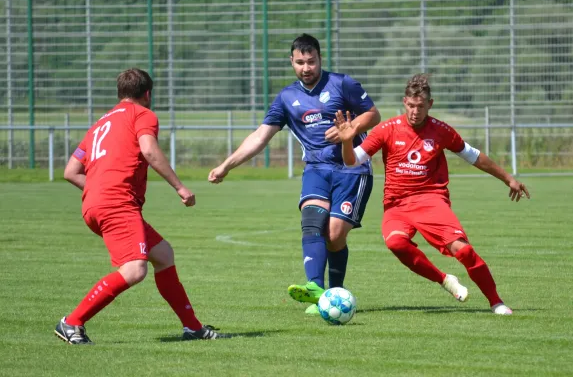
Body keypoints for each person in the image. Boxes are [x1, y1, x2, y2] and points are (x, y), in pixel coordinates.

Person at [208, 34, 381, 314]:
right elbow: (260, 137)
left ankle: (334, 293)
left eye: (311, 61)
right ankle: (316, 290)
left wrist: (348, 129)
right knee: (312, 221)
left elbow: (373, 114)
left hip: (353, 169)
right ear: (291, 62)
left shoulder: (342, 84)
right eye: (300, 62)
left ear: (320, 59)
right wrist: (226, 165)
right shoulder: (287, 98)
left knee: (335, 236)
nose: (306, 68)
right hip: (316, 169)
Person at [56, 68, 231, 344]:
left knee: (162, 254)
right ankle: (72, 322)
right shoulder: (142, 114)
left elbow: (70, 171)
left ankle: (193, 327)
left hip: (96, 203)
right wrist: (179, 186)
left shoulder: (99, 124)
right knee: (135, 270)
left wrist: (97, 189)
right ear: (147, 93)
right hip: (117, 202)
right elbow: (149, 151)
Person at [334, 74, 530, 315]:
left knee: (464, 250)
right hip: (396, 205)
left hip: (430, 200)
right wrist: (346, 142)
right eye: (411, 105)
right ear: (404, 102)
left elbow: (475, 156)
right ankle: (444, 279)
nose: (415, 111)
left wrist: (508, 178)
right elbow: (353, 162)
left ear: (430, 104)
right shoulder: (386, 129)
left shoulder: (441, 131)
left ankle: (496, 301)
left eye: (421, 106)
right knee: (396, 242)